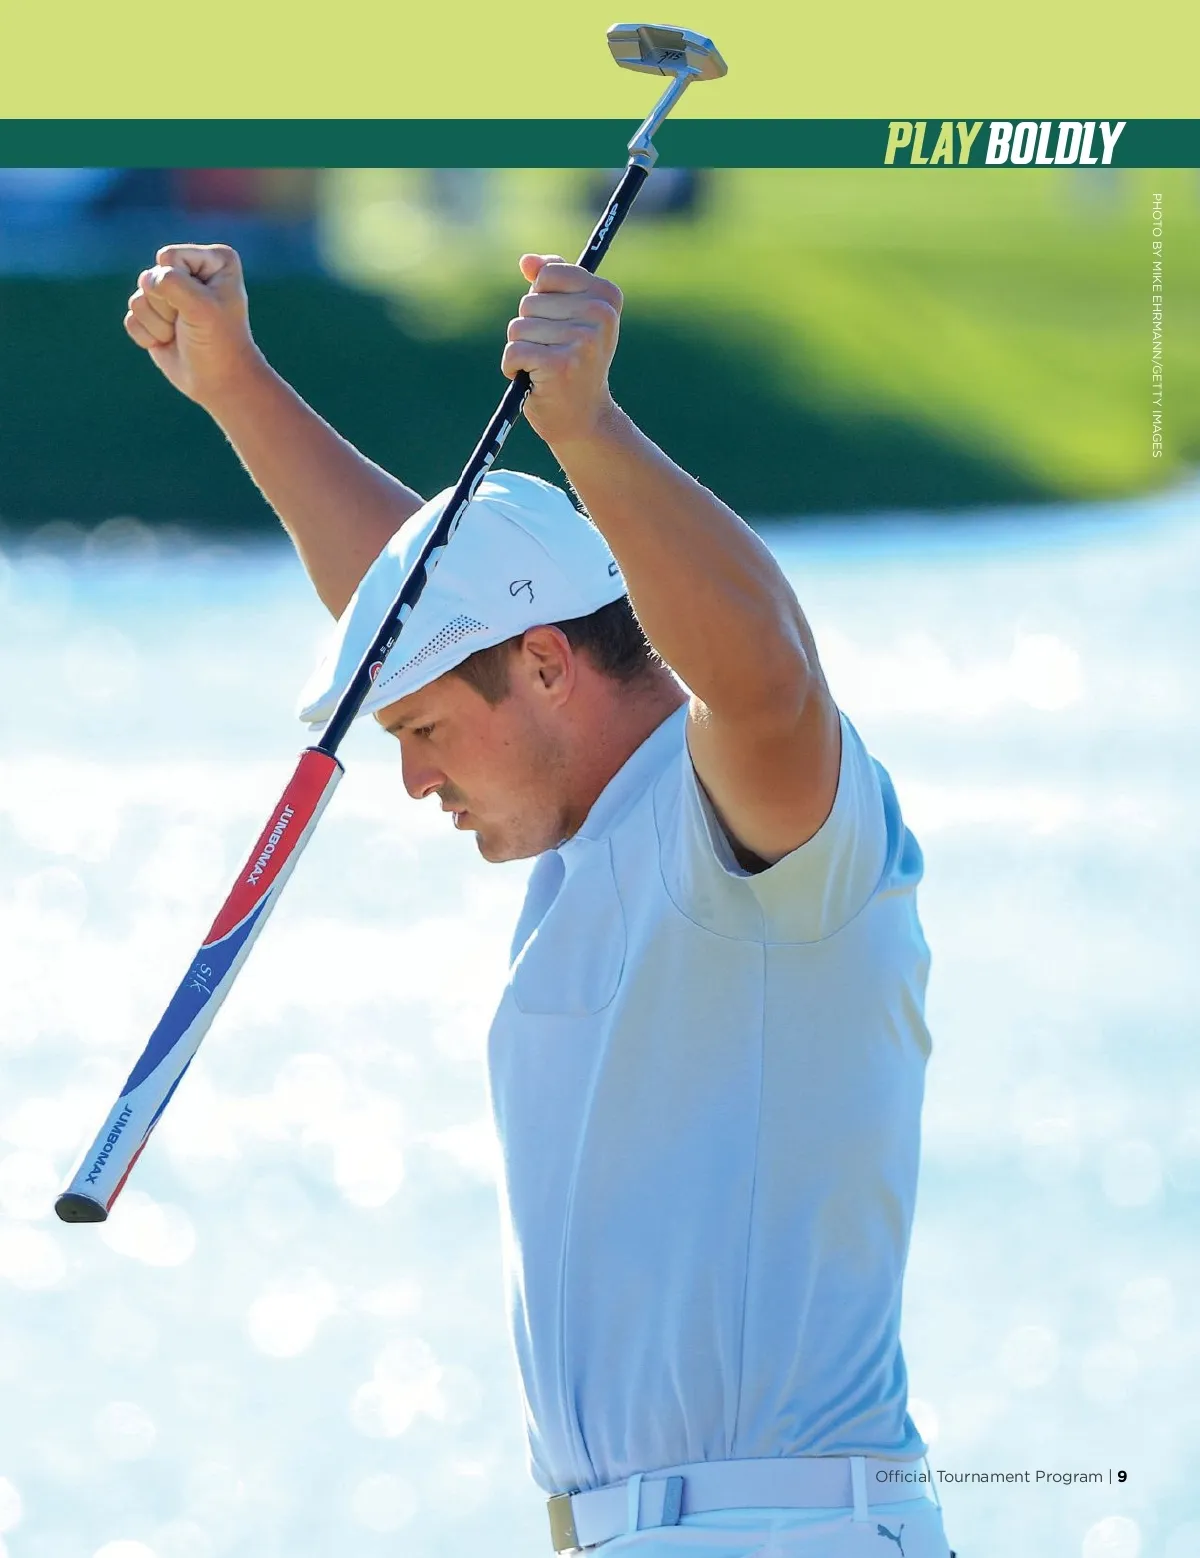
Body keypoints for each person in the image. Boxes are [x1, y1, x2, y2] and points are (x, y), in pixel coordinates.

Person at [124, 243, 955, 1558]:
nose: (412, 781)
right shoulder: (584, 834)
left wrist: (589, 428)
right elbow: (420, 612)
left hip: (782, 1531)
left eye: (423, 734)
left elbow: (771, 678)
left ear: (553, 665)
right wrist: (238, 386)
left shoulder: (755, 817)